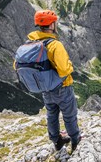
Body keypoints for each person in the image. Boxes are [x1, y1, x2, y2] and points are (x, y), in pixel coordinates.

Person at [28, 9, 82, 153]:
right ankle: (76, 140)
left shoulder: (32, 43)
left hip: (46, 89)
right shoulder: (54, 45)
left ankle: (56, 141)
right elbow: (64, 70)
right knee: (69, 115)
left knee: (52, 114)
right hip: (62, 87)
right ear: (51, 25)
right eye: (55, 22)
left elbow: (17, 65)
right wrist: (70, 65)